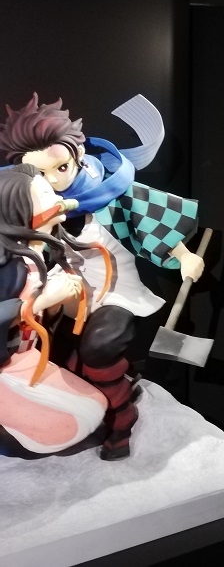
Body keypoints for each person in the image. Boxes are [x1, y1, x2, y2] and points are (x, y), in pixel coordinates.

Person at [0, 94, 204, 460]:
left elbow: (147, 220)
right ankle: (91, 411)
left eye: (60, 168)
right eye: (41, 175)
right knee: (59, 357)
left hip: (114, 291)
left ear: (77, 154)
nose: (52, 181)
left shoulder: (106, 190)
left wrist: (184, 255)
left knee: (98, 348)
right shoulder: (35, 198)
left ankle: (122, 418)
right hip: (65, 293)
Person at [0, 164, 108, 454]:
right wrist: (42, 301)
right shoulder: (7, 266)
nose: (58, 198)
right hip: (5, 365)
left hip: (27, 356)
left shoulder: (36, 252)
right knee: (72, 422)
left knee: (94, 406)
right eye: (46, 195)